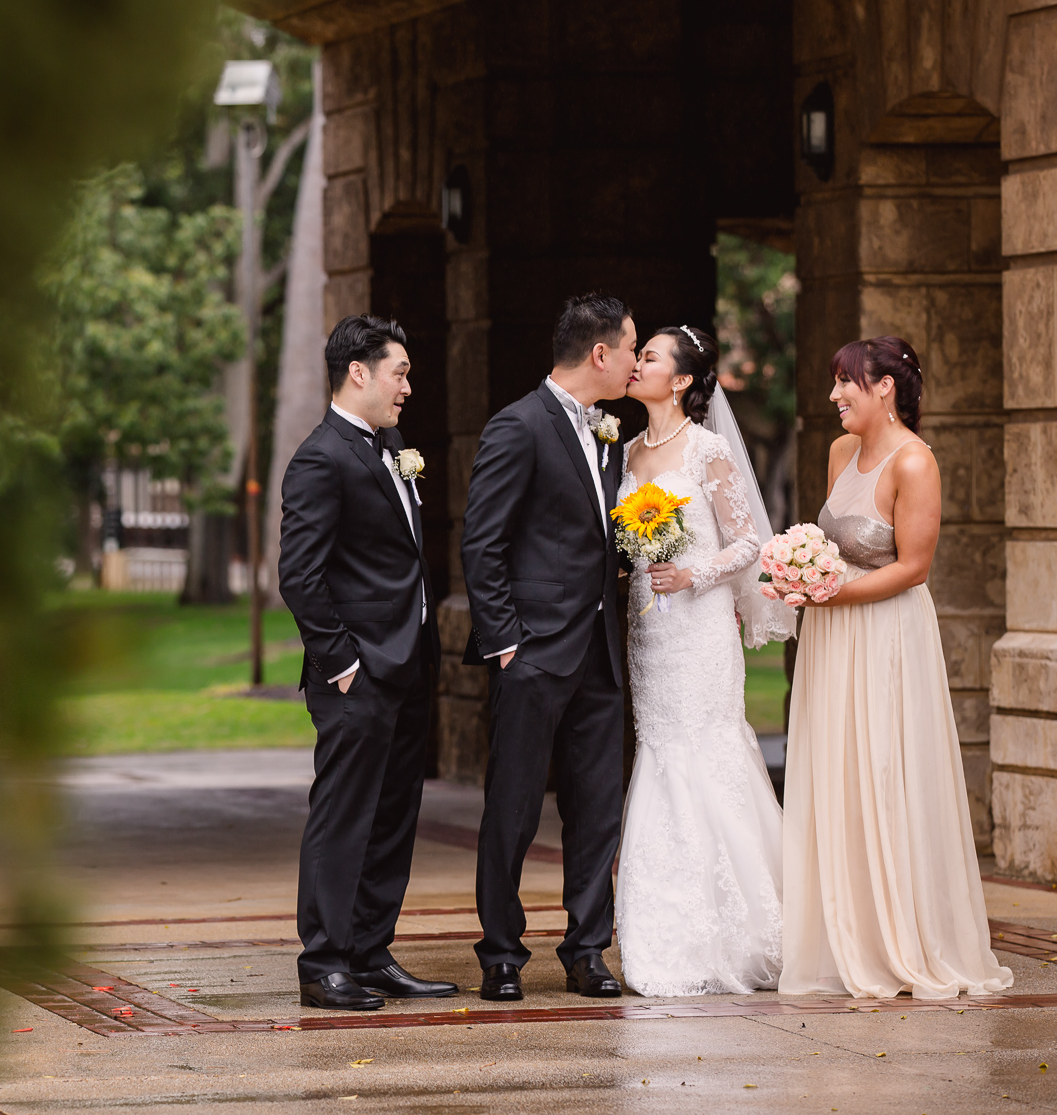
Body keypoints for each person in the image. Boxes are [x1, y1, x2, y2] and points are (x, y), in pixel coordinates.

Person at [776, 336, 1013, 1000]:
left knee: (882, 769)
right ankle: (845, 931)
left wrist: (827, 591)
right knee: (837, 769)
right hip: (831, 634)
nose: (833, 396)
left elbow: (913, 567)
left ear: (885, 388)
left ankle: (903, 939)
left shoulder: (915, 463)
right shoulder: (839, 452)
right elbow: (828, 543)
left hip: (884, 634)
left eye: (845, 382)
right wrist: (797, 573)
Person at [460, 293, 637, 1001]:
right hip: (531, 652)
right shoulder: (517, 426)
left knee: (598, 806)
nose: (633, 361)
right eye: (629, 349)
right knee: (513, 806)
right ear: (600, 354)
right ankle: (501, 952)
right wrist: (505, 642)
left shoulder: (609, 434)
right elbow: (483, 541)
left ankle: (587, 949)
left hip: (599, 651)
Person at [278, 314, 458, 1011]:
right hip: (356, 675)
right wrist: (341, 662)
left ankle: (370, 952)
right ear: (360, 372)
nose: (408, 386)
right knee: (343, 817)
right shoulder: (321, 457)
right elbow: (299, 575)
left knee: (392, 817)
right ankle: (323, 962)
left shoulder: (391, 446)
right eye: (400, 372)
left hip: (406, 667)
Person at [610, 326, 793, 996]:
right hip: (648, 631)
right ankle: (664, 923)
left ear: (682, 381)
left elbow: (749, 542)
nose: (638, 365)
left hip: (701, 625)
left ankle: (743, 933)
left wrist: (695, 575)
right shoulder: (625, 452)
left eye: (651, 358)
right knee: (658, 749)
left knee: (708, 748)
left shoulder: (709, 450)